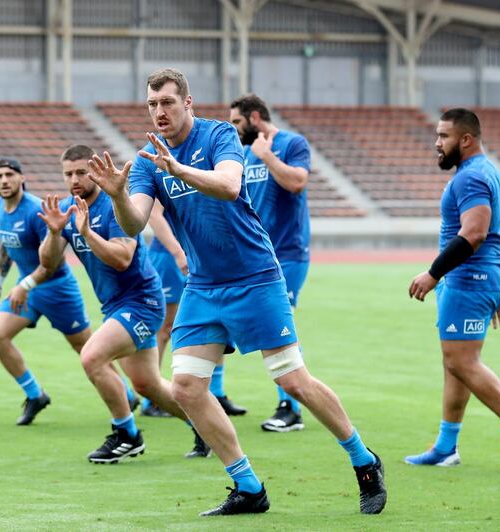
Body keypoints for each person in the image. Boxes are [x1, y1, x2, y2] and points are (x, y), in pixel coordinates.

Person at [86, 67, 386, 515]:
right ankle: (247, 486)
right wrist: (116, 196)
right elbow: (134, 222)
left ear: (188, 103)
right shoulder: (150, 159)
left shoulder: (219, 135)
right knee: (186, 388)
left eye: (167, 102)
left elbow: (229, 185)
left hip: (255, 275)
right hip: (204, 286)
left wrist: (178, 167)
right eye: (151, 104)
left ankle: (364, 461)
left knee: (292, 380)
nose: (159, 111)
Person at [38, 144, 210, 463]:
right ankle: (206, 426)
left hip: (142, 301)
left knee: (91, 356)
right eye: (68, 174)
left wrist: (87, 234)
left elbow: (122, 258)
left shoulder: (115, 206)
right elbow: (48, 264)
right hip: (116, 306)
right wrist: (52, 232)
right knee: (148, 385)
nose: (74, 179)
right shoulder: (68, 209)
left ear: (94, 171)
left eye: (81, 172)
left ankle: (127, 434)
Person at [405, 108, 500, 472]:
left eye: (444, 137)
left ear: (466, 139)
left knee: (461, 361)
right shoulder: (492, 175)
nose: (437, 144)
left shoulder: (470, 179)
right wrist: (498, 277)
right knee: (455, 363)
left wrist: (433, 273)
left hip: (469, 279)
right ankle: (446, 446)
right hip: (483, 277)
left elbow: (475, 232)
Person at [0, 158, 91, 425]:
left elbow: (51, 262)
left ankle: (127, 395)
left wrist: (24, 285)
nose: (4, 180)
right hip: (26, 288)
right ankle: (35, 395)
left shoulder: (35, 211)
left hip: (57, 289)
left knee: (87, 349)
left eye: (10, 174)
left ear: (22, 178)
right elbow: (6, 245)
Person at [229, 93, 311, 433]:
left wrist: (267, 156)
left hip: (288, 254)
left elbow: (297, 181)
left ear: (255, 117)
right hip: (256, 256)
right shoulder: (244, 154)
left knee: (278, 323)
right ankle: (216, 394)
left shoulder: (293, 143)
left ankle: (290, 408)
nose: (233, 129)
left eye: (237, 122)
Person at [141, 200, 247, 418]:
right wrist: (178, 252)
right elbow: (154, 215)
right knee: (166, 327)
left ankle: (216, 393)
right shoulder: (167, 169)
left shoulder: (205, 169)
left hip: (203, 257)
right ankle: (152, 399)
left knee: (214, 322)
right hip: (170, 256)